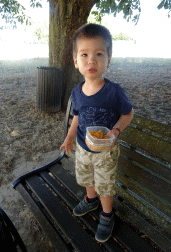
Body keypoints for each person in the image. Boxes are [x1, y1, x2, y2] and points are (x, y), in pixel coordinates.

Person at [60, 23, 133, 243]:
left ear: (108, 60)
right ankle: (91, 200)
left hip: (106, 151)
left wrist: (115, 131)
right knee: (87, 178)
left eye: (99, 54)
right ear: (76, 62)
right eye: (84, 54)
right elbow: (77, 116)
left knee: (105, 184)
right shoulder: (77, 91)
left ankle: (107, 213)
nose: (91, 60)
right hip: (83, 147)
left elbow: (128, 114)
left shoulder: (114, 92)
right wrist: (70, 136)